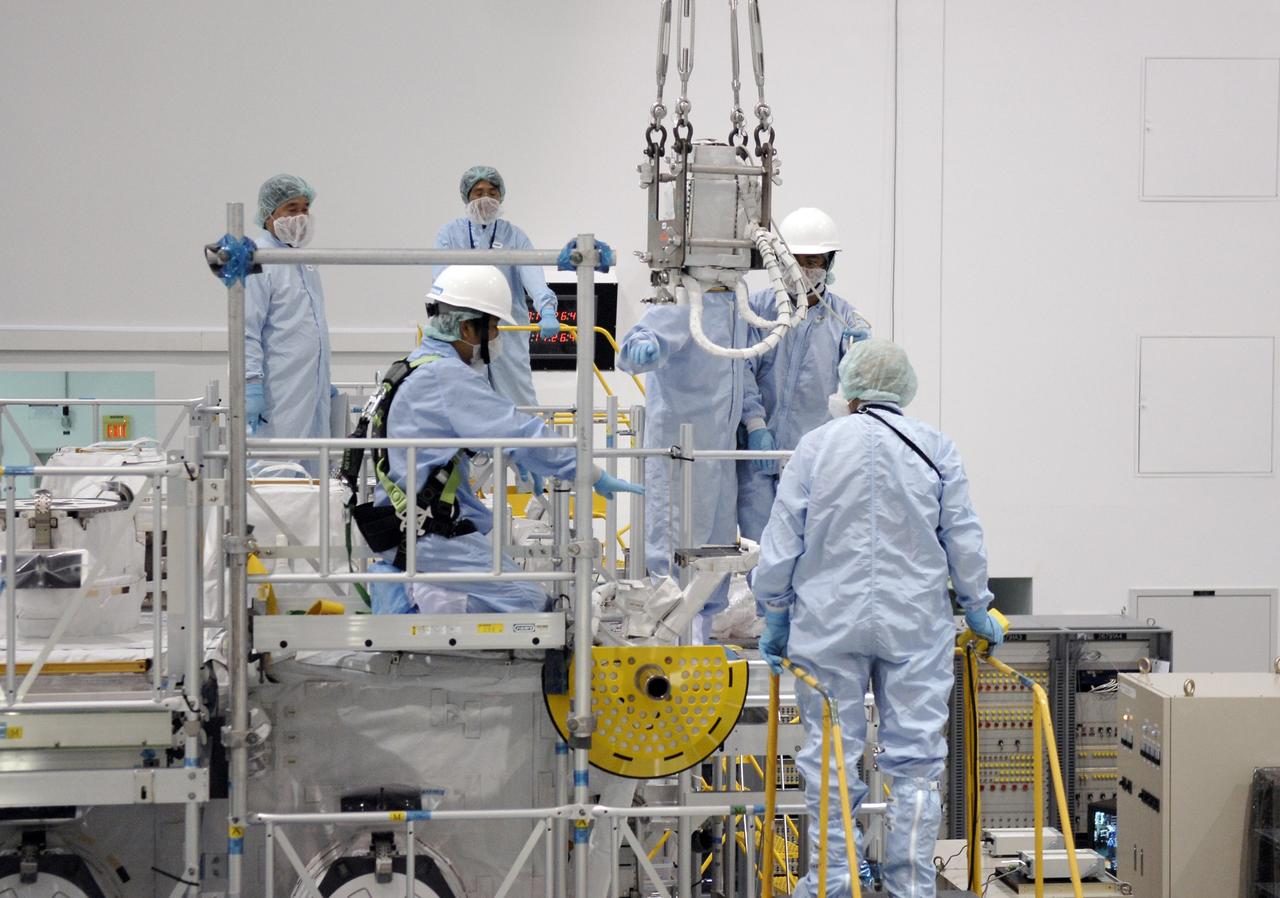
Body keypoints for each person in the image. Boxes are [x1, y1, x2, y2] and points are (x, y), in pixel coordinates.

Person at [752, 339, 1003, 898]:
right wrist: (978, 604)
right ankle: (910, 886)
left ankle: (833, 882)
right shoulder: (935, 447)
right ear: (903, 388)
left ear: (851, 388)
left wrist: (773, 610)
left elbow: (781, 538)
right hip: (915, 621)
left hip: (827, 621)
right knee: (915, 761)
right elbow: (962, 534)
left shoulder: (816, 448)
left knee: (832, 758)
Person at [367, 265, 641, 615]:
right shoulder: (445, 376)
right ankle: (416, 601)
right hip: (429, 537)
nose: (497, 338)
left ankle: (418, 594)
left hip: (414, 527)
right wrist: (588, 471)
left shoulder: (414, 366)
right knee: (531, 607)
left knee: (527, 595)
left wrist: (523, 459)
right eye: (494, 328)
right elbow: (519, 432)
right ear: (467, 327)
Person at [617, 286, 766, 637]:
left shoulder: (736, 308)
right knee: (677, 544)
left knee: (716, 545)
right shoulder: (685, 302)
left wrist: (752, 419)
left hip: (718, 452)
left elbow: (737, 373)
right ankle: (670, 638)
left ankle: (699, 636)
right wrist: (641, 348)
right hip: (679, 453)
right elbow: (636, 345)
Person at [737, 207, 872, 540]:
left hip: (813, 457)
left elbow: (859, 387)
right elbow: (741, 369)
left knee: (809, 546)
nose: (805, 270)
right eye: (797, 260)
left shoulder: (844, 319)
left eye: (814, 262)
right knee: (759, 546)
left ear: (829, 264)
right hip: (758, 452)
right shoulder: (757, 310)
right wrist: (756, 426)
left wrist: (861, 354)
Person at [433, 165, 560, 409]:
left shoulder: (515, 236)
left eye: (492, 192)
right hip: (462, 333)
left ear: (501, 195)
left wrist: (547, 309)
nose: (486, 198)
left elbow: (533, 275)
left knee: (518, 399)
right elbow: (440, 281)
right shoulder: (450, 234)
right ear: (466, 196)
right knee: (465, 400)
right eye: (478, 192)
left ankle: (527, 447)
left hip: (507, 332)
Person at [244, 173, 333, 475]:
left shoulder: (304, 261)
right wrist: (251, 383)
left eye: (305, 208)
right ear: (269, 215)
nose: (300, 216)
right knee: (274, 473)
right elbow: (247, 330)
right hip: (277, 391)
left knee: (310, 478)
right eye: (291, 209)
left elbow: (308, 327)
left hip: (309, 388)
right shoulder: (259, 259)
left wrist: (321, 375)